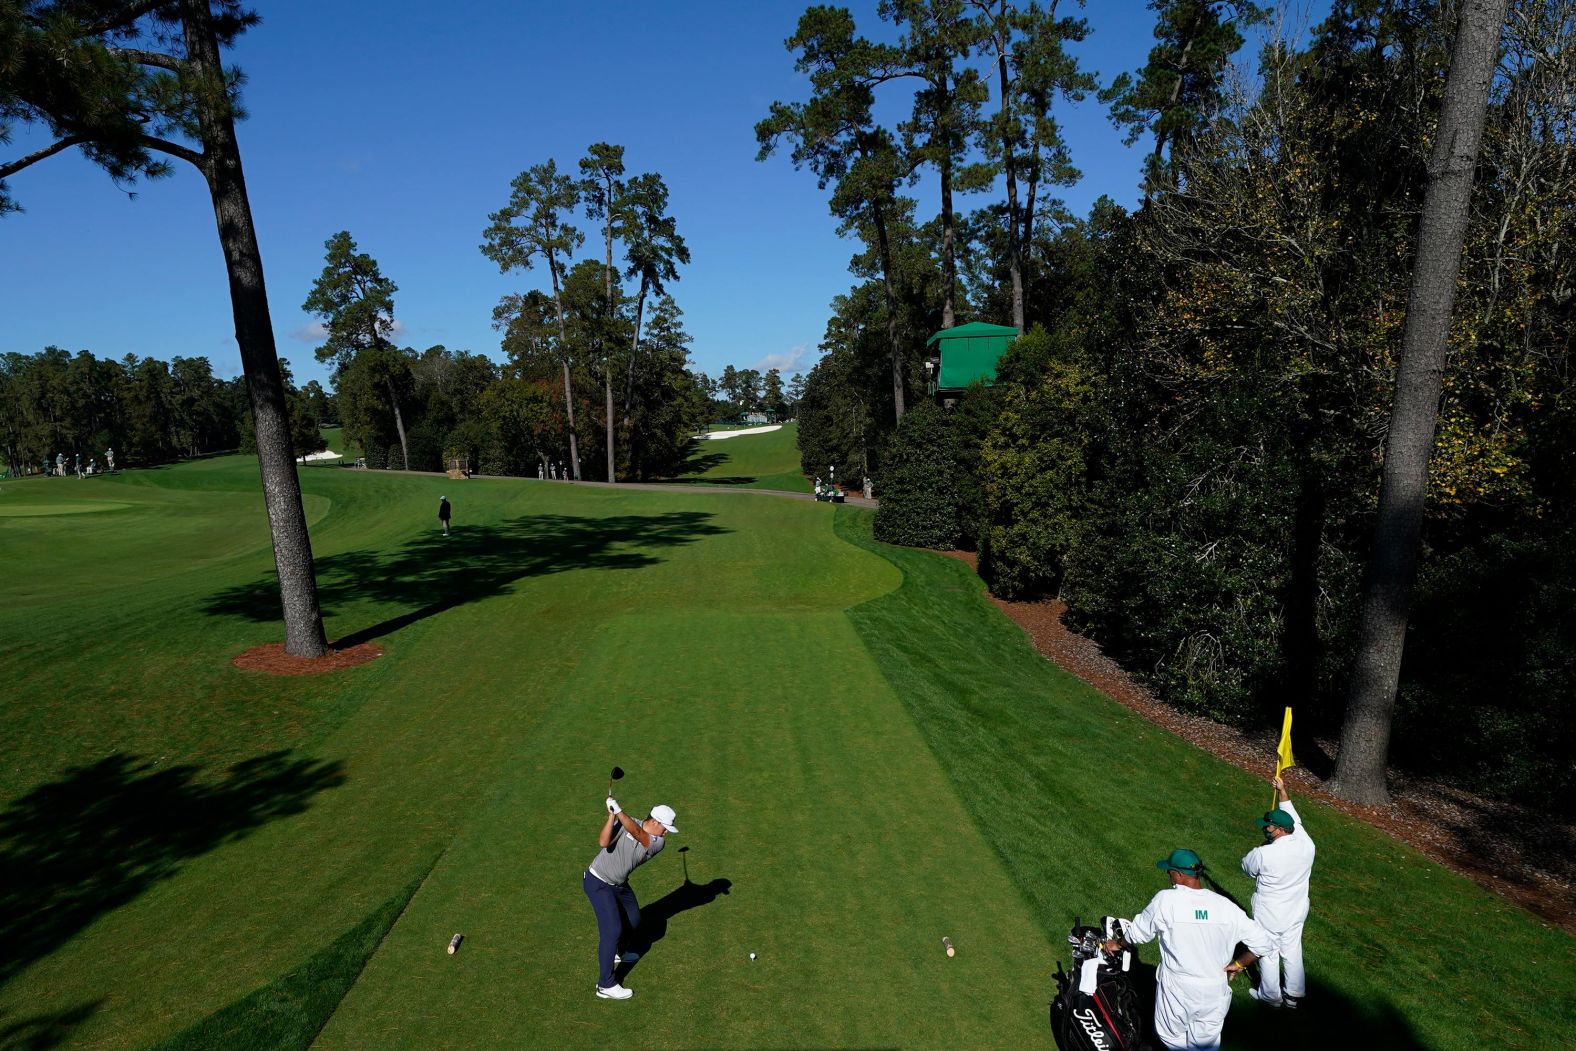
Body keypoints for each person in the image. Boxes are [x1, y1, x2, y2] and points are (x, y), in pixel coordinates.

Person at [1104, 848, 1274, 1051]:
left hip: (1178, 989)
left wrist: (1117, 944)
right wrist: (1238, 964)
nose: (1168, 875)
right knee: (1206, 1046)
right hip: (1214, 991)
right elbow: (1263, 943)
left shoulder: (1166, 900)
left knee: (1171, 1038)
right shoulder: (1226, 907)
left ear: (1180, 874)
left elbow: (1139, 933)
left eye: (1170, 871)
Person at [583, 798, 679, 1001]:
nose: (667, 832)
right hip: (598, 881)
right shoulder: (626, 821)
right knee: (612, 930)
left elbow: (638, 833)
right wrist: (612, 816)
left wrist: (619, 812)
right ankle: (605, 984)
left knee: (634, 919)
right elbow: (603, 842)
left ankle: (619, 952)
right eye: (666, 828)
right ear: (655, 821)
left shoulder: (657, 842)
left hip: (619, 884)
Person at [1241, 774, 1316, 1008]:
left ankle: (1271, 996)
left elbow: (1246, 867)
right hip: (1297, 909)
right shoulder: (1306, 843)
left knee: (1268, 951)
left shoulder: (1264, 853)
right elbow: (1293, 816)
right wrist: (1282, 790)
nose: (1266, 829)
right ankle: (1294, 995)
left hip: (1270, 911)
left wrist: (1264, 847)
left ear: (1280, 830)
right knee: (1292, 950)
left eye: (1268, 827)